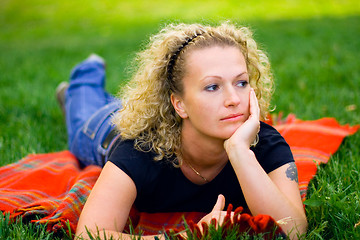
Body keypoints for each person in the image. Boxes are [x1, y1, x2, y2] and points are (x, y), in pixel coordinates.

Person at [59, 22, 307, 239]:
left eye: (241, 82)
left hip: (163, 114)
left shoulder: (265, 143)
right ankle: (86, 74)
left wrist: (240, 152)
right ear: (180, 104)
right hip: (105, 130)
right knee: (83, 111)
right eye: (213, 87)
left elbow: (294, 231)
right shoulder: (139, 149)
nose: (234, 99)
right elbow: (89, 235)